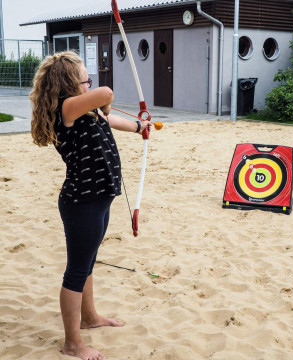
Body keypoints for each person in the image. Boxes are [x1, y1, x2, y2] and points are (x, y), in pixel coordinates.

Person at [30, 50, 151, 360]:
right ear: (71, 84)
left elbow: (109, 115)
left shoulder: (88, 111)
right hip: (81, 202)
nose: (91, 85)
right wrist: (102, 98)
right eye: (86, 80)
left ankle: (90, 317)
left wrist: (139, 128)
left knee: (87, 263)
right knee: (76, 270)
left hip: (98, 200)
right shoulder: (68, 109)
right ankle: (72, 343)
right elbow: (106, 95)